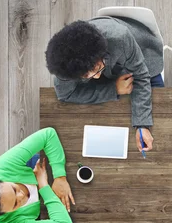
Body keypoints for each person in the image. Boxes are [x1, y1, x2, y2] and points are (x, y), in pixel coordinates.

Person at [45, 16, 164, 153]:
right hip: (113, 72)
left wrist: (142, 125)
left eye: (97, 69)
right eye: (86, 76)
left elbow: (142, 75)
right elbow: (65, 94)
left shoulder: (120, 38)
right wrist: (113, 89)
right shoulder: (65, 67)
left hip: (141, 57)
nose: (96, 77)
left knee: (160, 109)